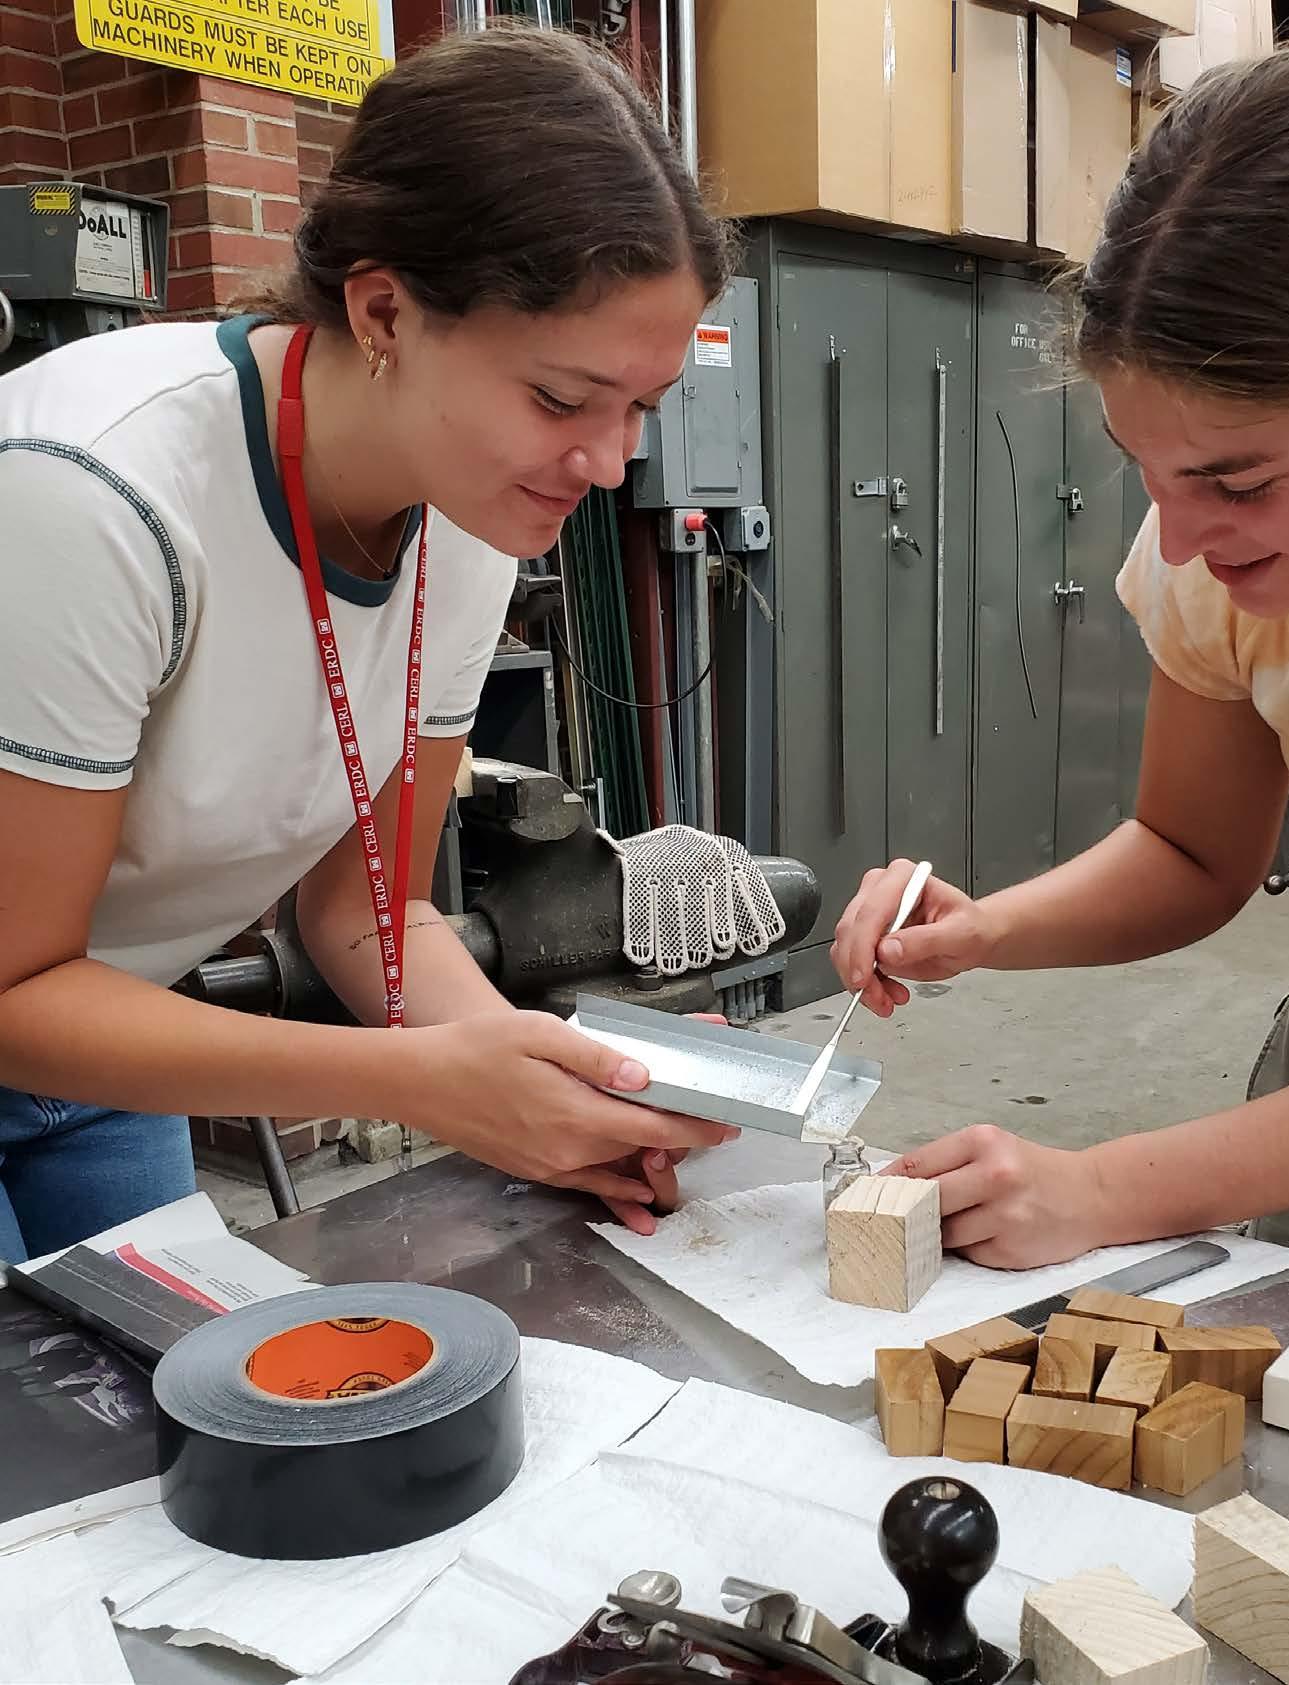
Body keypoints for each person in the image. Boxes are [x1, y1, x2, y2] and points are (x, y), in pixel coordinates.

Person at [0, 24, 740, 1265]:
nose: (608, 463)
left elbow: (365, 909)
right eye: (561, 398)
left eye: (640, 409)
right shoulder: (93, 496)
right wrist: (425, 1080)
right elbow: (13, 987)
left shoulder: (468, 519)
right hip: (34, 1005)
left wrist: (548, 1081)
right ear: (383, 308)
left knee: (170, 1364)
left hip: (103, 1039)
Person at [833, 39, 1289, 1293]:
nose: (1180, 539)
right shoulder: (1217, 550)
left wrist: (1103, 1186)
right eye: (1146, 469)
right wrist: (988, 929)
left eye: (1236, 481)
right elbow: (1191, 850)